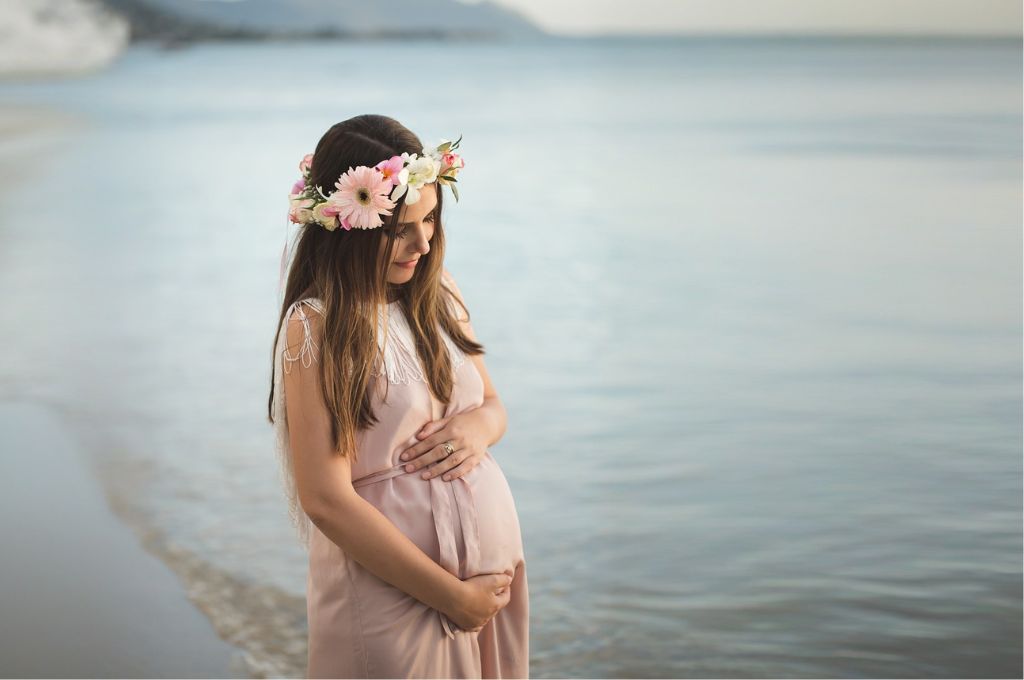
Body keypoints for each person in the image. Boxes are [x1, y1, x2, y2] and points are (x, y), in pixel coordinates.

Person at [267, 114, 529, 678]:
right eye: (400, 228)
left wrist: (477, 429)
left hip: (484, 592)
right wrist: (451, 597)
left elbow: (493, 406)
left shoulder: (439, 292)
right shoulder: (316, 326)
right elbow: (325, 499)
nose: (424, 241)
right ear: (353, 223)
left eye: (431, 219)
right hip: (392, 595)